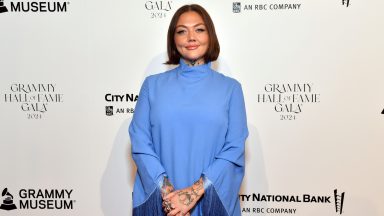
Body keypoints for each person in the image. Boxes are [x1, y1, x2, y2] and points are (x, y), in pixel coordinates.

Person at [129, 4, 248, 216]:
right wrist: (169, 195)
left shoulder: (231, 89)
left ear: (210, 35)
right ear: (173, 40)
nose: (191, 37)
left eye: (199, 29)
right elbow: (140, 142)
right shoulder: (152, 86)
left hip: (208, 202)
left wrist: (192, 194)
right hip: (164, 202)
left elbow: (233, 149)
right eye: (182, 31)